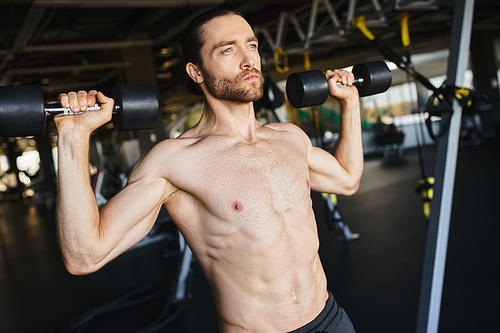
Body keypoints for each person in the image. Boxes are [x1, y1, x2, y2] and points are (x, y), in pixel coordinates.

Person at [55, 7, 363, 333]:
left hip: (331, 319)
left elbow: (347, 178)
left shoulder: (290, 139)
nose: (249, 60)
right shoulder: (175, 162)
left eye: (252, 45)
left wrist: (350, 103)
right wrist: (73, 137)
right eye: (228, 49)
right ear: (196, 71)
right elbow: (84, 255)